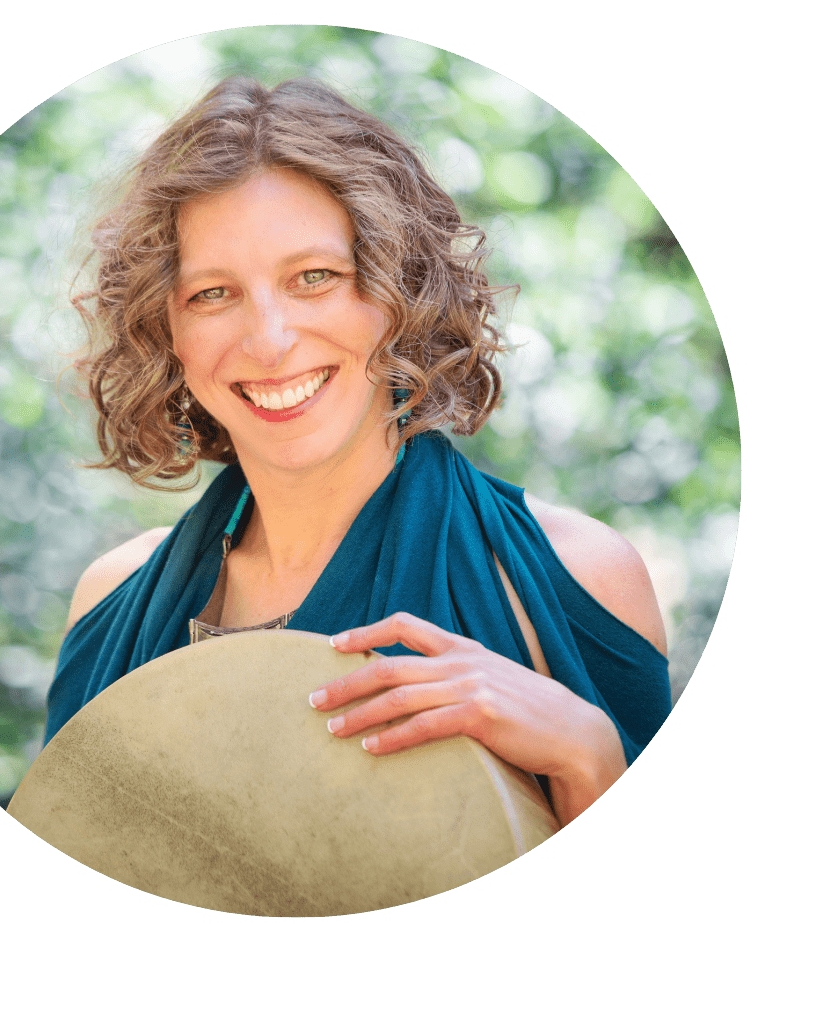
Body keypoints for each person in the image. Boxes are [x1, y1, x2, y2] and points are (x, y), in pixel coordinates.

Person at [46, 77, 671, 828]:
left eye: (315, 278)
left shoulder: (577, 578)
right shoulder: (113, 601)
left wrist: (592, 758)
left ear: (396, 292)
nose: (269, 340)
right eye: (212, 293)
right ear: (165, 330)